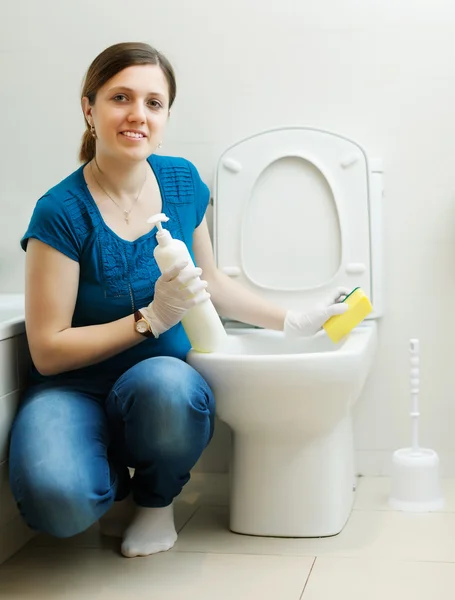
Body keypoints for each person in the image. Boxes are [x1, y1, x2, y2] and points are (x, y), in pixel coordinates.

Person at [9, 42, 348, 559]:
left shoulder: (182, 180)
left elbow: (209, 282)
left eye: (153, 103)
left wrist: (294, 320)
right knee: (59, 502)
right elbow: (47, 350)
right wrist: (150, 319)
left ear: (166, 114)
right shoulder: (60, 211)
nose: (137, 115)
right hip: (70, 389)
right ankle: (110, 488)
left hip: (155, 384)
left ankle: (155, 500)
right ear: (89, 108)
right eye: (120, 97)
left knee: (168, 388)